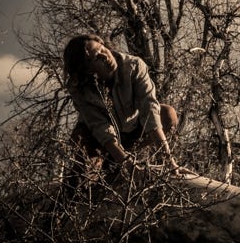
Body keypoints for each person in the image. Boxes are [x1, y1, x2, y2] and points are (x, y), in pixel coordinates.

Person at [62, 34, 179, 192]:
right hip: (97, 139)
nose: (105, 56)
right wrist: (127, 164)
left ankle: (115, 165)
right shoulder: (79, 89)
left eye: (102, 49)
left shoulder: (133, 65)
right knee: (82, 175)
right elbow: (100, 127)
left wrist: (169, 161)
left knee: (167, 114)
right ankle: (85, 183)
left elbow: (150, 110)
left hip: (131, 131)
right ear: (88, 71)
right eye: (96, 58)